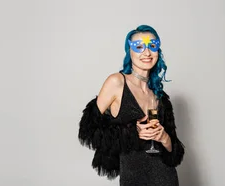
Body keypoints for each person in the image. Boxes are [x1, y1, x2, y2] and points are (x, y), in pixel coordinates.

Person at [77, 25, 185, 186]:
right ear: (130, 51)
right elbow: (87, 130)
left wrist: (163, 137)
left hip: (165, 177)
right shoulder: (116, 82)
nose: (147, 53)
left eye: (152, 46)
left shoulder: (160, 96)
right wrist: (133, 132)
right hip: (133, 178)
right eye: (139, 47)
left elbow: (174, 153)